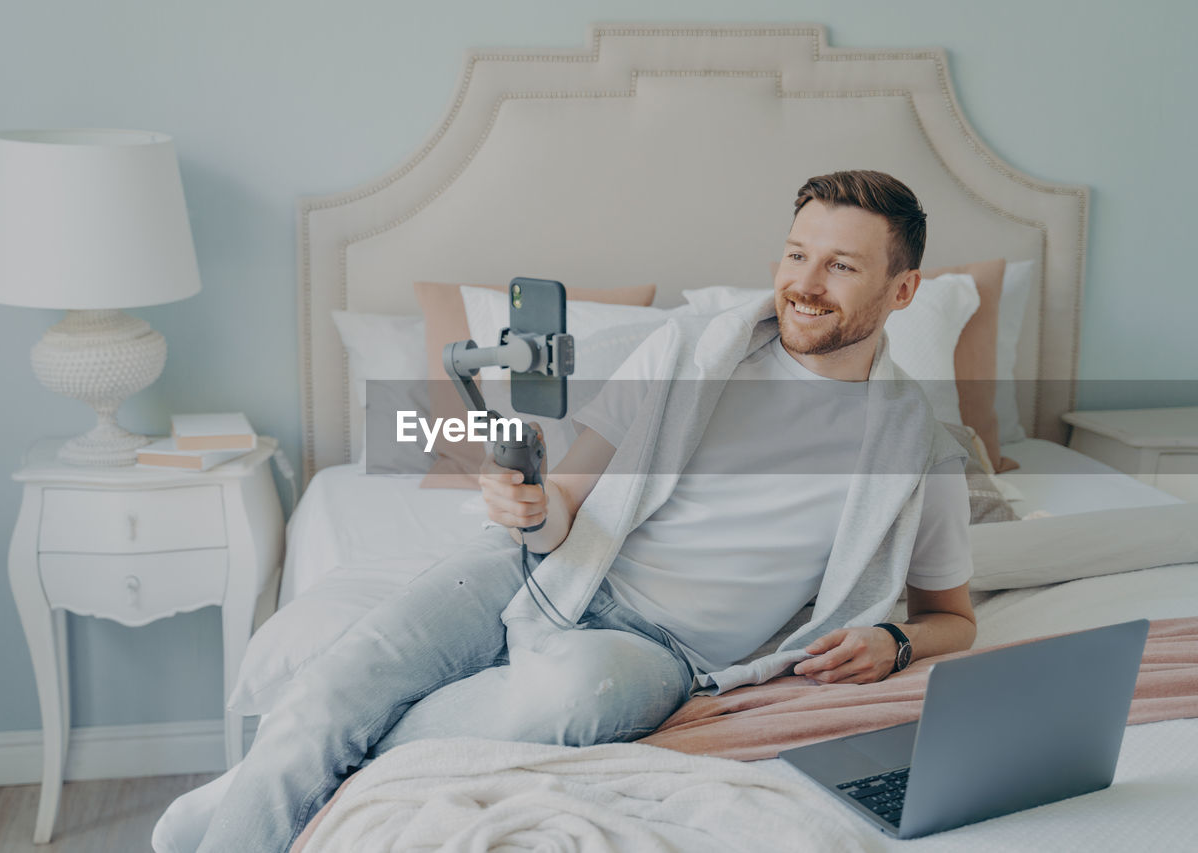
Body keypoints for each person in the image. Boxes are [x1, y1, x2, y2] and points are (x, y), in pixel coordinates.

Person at [195, 170, 977, 852]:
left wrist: (896, 641)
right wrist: (533, 509)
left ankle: (264, 787)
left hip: (661, 651)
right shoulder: (688, 350)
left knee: (567, 697)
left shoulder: (922, 449)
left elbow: (955, 617)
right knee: (338, 682)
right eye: (797, 254)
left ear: (903, 290)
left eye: (841, 265)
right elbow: (568, 496)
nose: (805, 282)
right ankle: (247, 803)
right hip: (545, 567)